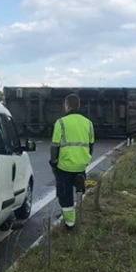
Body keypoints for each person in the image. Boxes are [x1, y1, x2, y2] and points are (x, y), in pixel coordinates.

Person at [49, 94, 95, 230]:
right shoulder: (88, 123)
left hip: (65, 166)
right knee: (79, 189)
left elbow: (54, 146)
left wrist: (53, 163)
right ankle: (80, 188)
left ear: (67, 105)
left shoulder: (61, 123)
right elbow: (91, 146)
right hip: (81, 165)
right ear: (79, 105)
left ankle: (70, 224)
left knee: (65, 195)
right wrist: (85, 159)